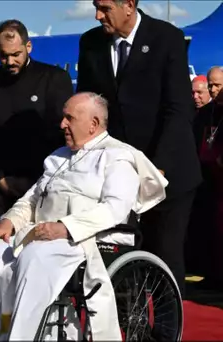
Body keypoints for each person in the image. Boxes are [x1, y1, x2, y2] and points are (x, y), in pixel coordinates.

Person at [0, 92, 168, 341]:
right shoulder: (58, 156)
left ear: (93, 124)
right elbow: (32, 199)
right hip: (40, 234)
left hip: (88, 240)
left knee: (36, 255)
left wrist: (65, 227)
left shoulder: (119, 156)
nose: (62, 124)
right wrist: (8, 222)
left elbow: (114, 209)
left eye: (69, 118)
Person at [76, 0, 201, 295]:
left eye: (105, 8)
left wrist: (157, 167)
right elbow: (89, 109)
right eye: (96, 6)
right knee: (119, 259)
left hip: (168, 173)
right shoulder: (91, 43)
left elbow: (178, 110)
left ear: (129, 5)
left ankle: (168, 332)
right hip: (118, 176)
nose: (97, 15)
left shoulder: (166, 38)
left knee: (164, 259)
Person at [0, 19, 74, 235]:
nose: (10, 61)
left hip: (43, 184)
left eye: (16, 54)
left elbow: (61, 134)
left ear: (28, 47)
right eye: (4, 56)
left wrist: (40, 181)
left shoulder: (53, 79)